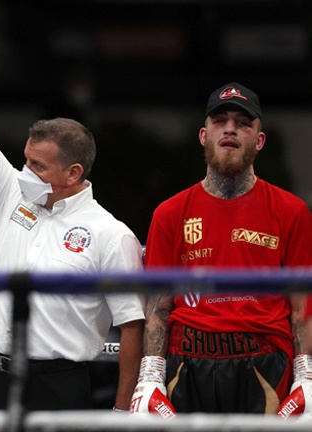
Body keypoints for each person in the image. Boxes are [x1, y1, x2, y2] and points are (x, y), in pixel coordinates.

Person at [0, 13, 145, 412]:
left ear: (73, 173)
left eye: (39, 166)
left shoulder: (111, 235)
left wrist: (121, 410)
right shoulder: (10, 192)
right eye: (26, 160)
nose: (26, 171)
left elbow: (132, 325)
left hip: (58, 385)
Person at [130, 82, 312, 417]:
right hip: (187, 363)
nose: (230, 128)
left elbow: (302, 305)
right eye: (220, 120)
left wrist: (307, 375)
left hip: (265, 364)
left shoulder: (291, 211)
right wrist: (149, 378)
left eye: (243, 122)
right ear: (204, 135)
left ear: (258, 140)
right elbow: (157, 304)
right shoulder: (169, 213)